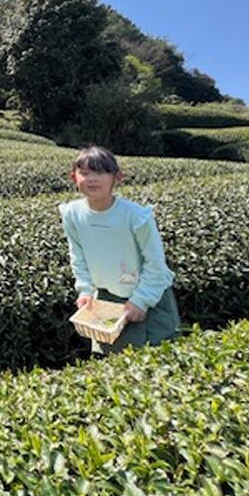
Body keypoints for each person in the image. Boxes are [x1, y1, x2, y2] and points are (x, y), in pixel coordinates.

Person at [58, 145, 180, 356]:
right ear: (73, 177)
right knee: (113, 366)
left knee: (154, 362)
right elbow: (78, 257)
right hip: (107, 301)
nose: (92, 179)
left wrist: (141, 301)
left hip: (148, 298)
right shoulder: (72, 214)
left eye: (100, 172)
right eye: (85, 173)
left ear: (117, 177)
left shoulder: (136, 216)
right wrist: (86, 290)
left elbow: (156, 264)